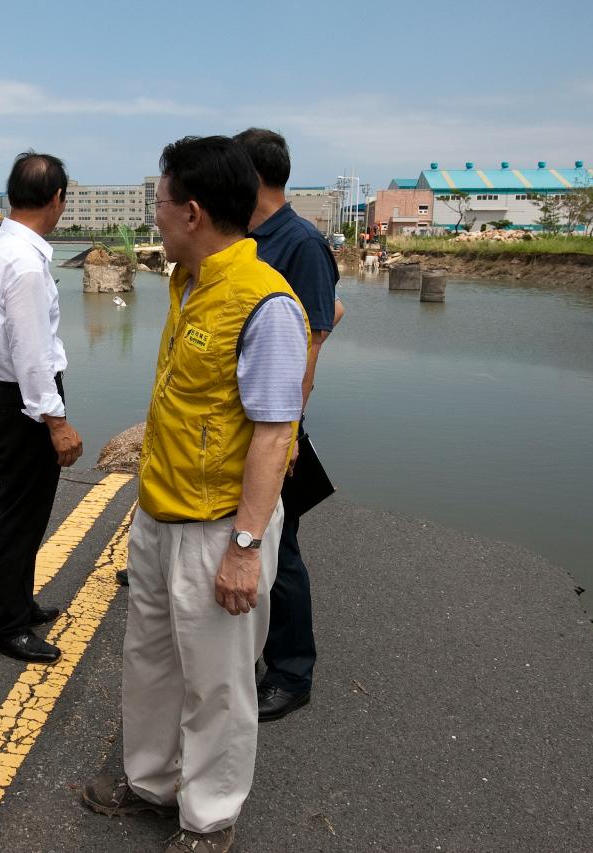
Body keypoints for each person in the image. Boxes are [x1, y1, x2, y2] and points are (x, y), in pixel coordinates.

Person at [81, 136, 308, 853]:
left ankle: (209, 818)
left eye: (158, 201)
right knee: (149, 656)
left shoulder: (265, 303)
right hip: (159, 512)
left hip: (218, 527)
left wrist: (244, 547)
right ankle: (150, 783)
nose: (153, 216)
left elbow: (273, 436)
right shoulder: (187, 282)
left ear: (193, 212)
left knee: (217, 681)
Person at [233, 127, 343, 723]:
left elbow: (313, 341)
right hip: (246, 425)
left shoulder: (299, 242)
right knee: (265, 542)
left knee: (283, 546)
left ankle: (292, 673)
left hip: (278, 428)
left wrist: (290, 434)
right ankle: (258, 655)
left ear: (250, 177)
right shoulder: (251, 238)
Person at [0, 152, 83, 664]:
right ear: (56, 199)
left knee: (23, 511)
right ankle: (5, 624)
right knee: (20, 515)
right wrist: (56, 422)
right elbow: (32, 354)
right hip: (24, 403)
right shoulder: (27, 264)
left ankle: (17, 601)